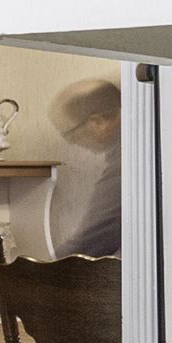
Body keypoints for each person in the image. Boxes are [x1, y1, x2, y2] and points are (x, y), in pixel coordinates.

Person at [50, 77, 123, 257]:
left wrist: (38, 273)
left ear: (99, 122)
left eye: (71, 134)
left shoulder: (125, 159)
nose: (73, 142)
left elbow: (92, 241)